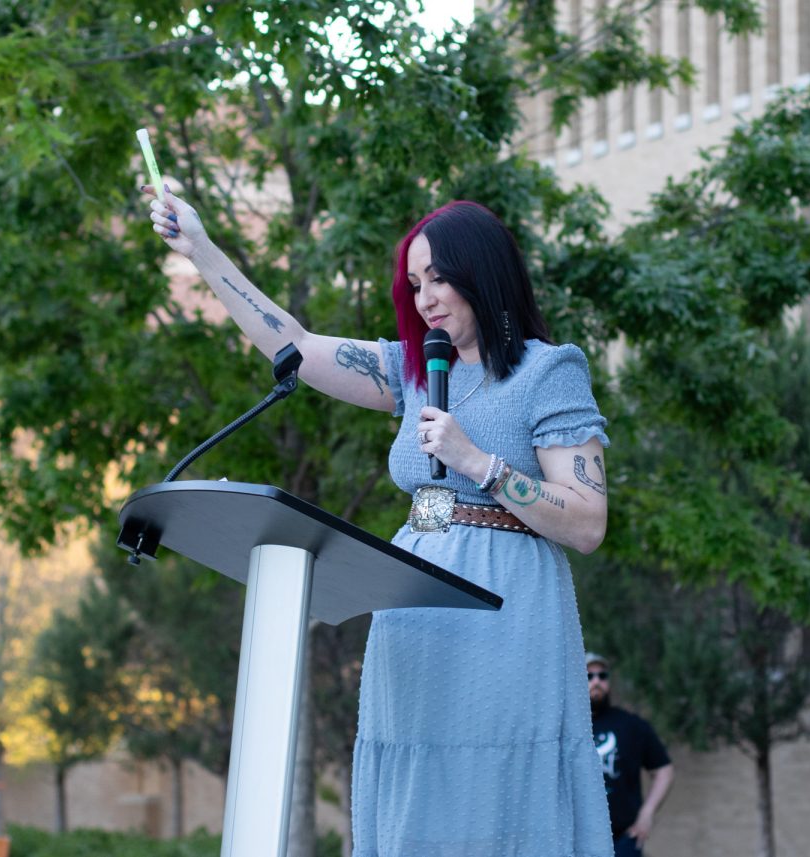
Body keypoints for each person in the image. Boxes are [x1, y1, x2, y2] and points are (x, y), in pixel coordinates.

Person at [144, 181, 614, 857]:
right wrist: (202, 249)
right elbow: (296, 346)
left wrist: (478, 462)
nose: (423, 298)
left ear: (482, 274)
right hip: (411, 615)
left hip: (506, 614)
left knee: (494, 787)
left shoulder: (549, 373)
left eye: (438, 279)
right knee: (417, 793)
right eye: (414, 282)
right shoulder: (413, 370)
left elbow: (588, 522)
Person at [586, 652, 675, 857]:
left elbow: (664, 770)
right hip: (577, 840)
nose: (596, 681)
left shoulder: (631, 725)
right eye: (589, 676)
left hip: (624, 839)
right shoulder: (565, 730)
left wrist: (647, 812)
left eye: (602, 676)